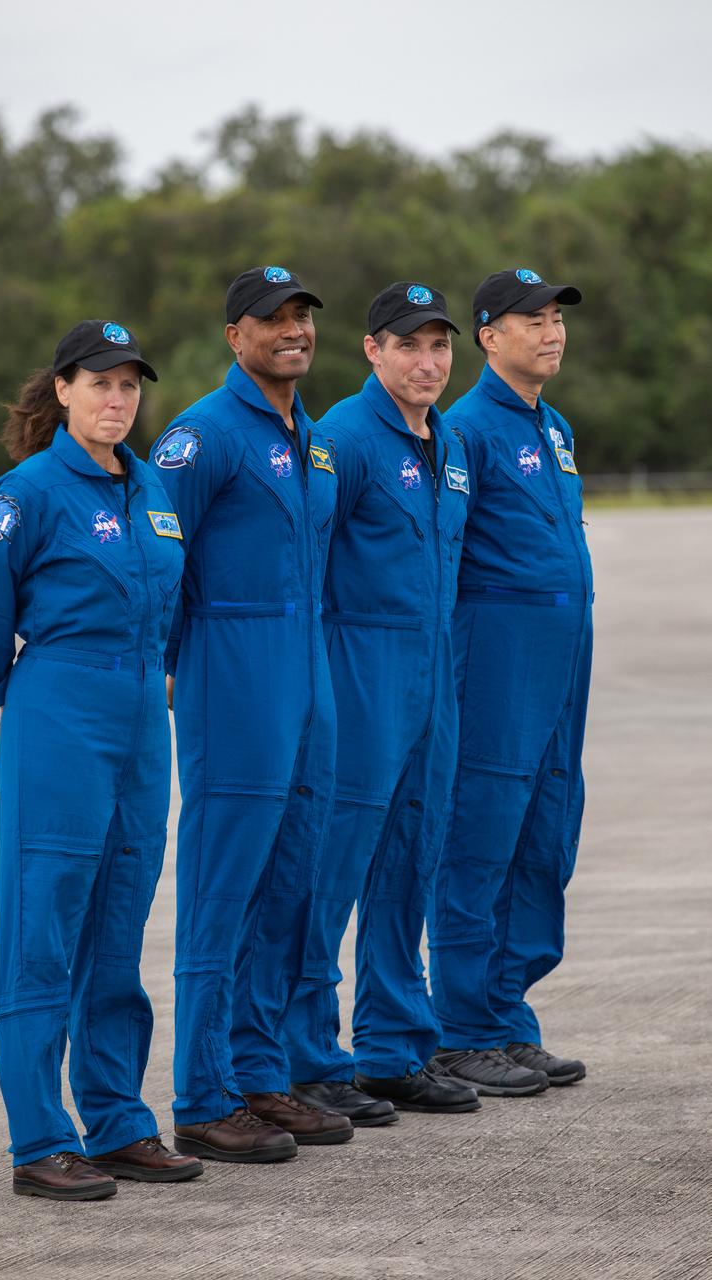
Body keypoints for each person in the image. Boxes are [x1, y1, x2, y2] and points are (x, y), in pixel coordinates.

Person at [0, 319, 202, 1199]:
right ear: (61, 391)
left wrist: (156, 672)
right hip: (60, 707)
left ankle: (119, 1120)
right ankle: (39, 1140)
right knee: (44, 924)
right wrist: (7, 696)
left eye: (129, 385)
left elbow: (172, 600)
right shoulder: (28, 491)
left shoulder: (153, 488)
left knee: (119, 923)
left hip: (140, 716)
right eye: (98, 383)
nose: (116, 399)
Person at [150, 267, 348, 1162]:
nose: (292, 330)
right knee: (223, 884)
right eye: (273, 319)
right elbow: (158, 558)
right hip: (232, 674)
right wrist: (165, 664)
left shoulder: (308, 438)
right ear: (236, 335)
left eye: (301, 316)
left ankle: (258, 1074)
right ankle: (200, 1094)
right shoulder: (204, 435)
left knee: (289, 881)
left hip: (306, 675)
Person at [280, 281, 480, 1123]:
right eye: (408, 345)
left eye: (438, 347)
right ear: (372, 350)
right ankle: (305, 1055)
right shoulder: (342, 442)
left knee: (412, 855)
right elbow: (306, 562)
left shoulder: (451, 444)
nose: (427, 362)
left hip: (432, 670)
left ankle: (394, 1049)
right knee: (334, 861)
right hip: (359, 667)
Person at [428, 269, 593, 1096]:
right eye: (532, 319)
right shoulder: (465, 432)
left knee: (544, 831)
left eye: (556, 317)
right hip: (496, 650)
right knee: (481, 830)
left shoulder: (553, 426)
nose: (551, 331)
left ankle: (505, 1014)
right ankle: (460, 1028)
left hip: (562, 653)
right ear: (489, 336)